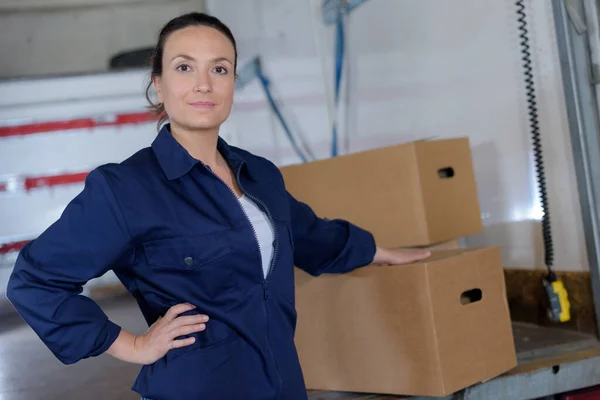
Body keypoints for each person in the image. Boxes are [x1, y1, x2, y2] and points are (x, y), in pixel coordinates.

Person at [6, 12, 430, 400]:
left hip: (283, 384)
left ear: (231, 82)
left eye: (220, 69)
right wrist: (133, 345)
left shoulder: (261, 174)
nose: (204, 83)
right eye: (185, 67)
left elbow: (308, 233)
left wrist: (376, 251)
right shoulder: (127, 189)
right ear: (159, 83)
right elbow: (34, 282)